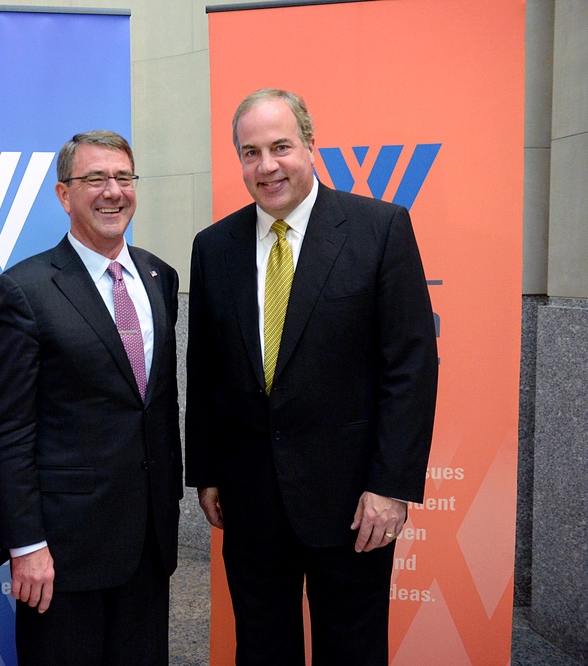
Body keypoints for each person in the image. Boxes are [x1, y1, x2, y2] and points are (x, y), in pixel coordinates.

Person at [185, 89, 439, 664]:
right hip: (250, 503)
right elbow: (204, 370)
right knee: (261, 648)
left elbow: (411, 367)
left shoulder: (380, 229)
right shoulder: (213, 247)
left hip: (353, 504)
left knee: (351, 649)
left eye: (280, 147)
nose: (266, 166)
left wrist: (391, 486)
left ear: (310, 144)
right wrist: (205, 474)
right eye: (250, 152)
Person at [0, 130, 182, 665]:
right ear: (64, 194)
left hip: (147, 543)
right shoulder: (23, 291)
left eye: (122, 177)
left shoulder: (160, 276)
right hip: (62, 556)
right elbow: (9, 430)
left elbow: (154, 406)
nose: (112, 191)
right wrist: (26, 546)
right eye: (94, 178)